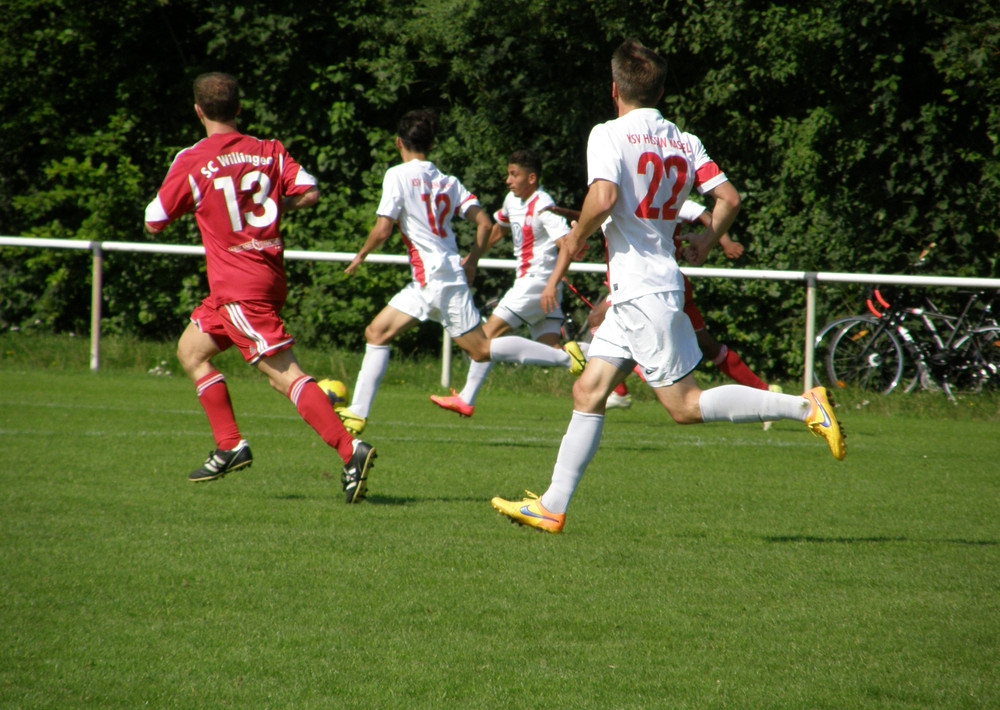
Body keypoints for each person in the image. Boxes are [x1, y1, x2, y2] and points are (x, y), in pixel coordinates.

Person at [491, 40, 846, 534]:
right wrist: (706, 240)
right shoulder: (683, 140)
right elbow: (729, 198)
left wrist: (575, 237)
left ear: (615, 89)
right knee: (588, 390)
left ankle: (805, 406)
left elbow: (603, 196)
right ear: (659, 91)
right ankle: (552, 505)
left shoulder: (608, 133)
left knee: (684, 406)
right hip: (644, 289)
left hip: (642, 292)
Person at [144, 72, 375, 503]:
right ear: (239, 108)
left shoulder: (192, 159)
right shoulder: (269, 150)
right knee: (191, 351)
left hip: (239, 287)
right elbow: (309, 191)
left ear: (197, 111)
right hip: (261, 277)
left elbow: (154, 220)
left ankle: (351, 450)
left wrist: (205, 204)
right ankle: (230, 445)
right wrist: (272, 207)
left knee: (284, 376)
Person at [340, 111, 586, 435]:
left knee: (481, 349)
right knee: (376, 332)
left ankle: (566, 358)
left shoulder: (396, 175)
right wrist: (471, 262)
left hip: (438, 280)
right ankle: (357, 413)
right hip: (431, 280)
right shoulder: (448, 181)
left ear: (399, 143)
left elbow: (383, 229)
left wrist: (361, 254)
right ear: (430, 144)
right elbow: (484, 223)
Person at [591, 198, 781, 415]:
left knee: (598, 320)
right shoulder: (635, 198)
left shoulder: (660, 196)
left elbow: (712, 210)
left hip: (649, 285)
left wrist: (720, 242)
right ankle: (767, 392)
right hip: (661, 283)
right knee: (708, 346)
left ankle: (626, 387)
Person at [429, 149, 576, 417]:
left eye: (514, 175)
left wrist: (551, 284)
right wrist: (472, 259)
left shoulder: (543, 205)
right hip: (538, 285)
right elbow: (498, 229)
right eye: (508, 174)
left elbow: (567, 245)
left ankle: (467, 399)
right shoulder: (512, 200)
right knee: (551, 349)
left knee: (485, 337)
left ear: (531, 178)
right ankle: (607, 368)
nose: (508, 180)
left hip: (536, 284)